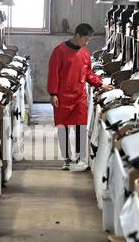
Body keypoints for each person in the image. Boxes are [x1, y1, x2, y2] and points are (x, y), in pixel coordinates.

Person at [47, 23, 113, 171]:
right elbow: (53, 74)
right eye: (86, 39)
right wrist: (53, 94)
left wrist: (100, 84)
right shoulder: (59, 51)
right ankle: (67, 159)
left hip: (80, 96)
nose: (87, 42)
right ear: (77, 35)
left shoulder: (84, 52)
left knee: (80, 128)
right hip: (63, 97)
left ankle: (80, 158)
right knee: (63, 128)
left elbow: (88, 73)